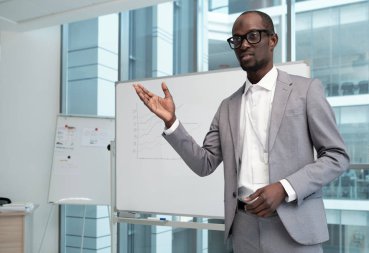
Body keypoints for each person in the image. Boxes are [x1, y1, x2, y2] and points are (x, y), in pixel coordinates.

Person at [133, 10, 349, 253]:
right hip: (244, 230)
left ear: (272, 40)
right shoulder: (227, 106)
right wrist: (171, 121)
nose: (244, 44)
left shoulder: (306, 91)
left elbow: (336, 156)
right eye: (237, 39)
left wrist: (285, 188)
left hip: (294, 229)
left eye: (253, 36)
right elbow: (204, 164)